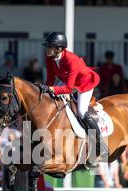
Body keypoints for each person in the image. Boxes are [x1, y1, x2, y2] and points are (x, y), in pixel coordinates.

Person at [40, 32, 107, 163]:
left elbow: (69, 89)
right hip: (67, 81)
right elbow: (50, 79)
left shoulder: (72, 60)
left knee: (82, 111)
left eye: (50, 47)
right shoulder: (49, 58)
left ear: (59, 48)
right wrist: (45, 90)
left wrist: (52, 89)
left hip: (84, 83)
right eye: (47, 46)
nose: (47, 49)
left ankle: (100, 143)